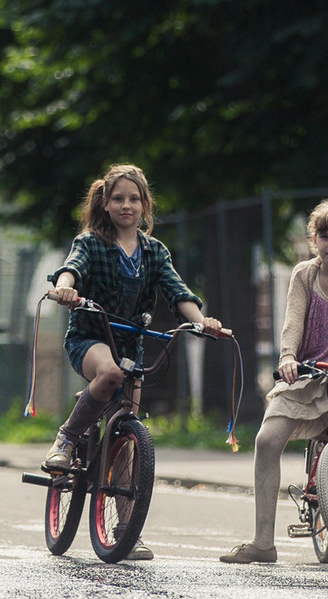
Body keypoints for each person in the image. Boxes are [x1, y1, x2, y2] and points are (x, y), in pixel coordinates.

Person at [44, 163, 224, 561]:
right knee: (108, 372)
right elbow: (70, 270)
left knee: (126, 441)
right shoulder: (90, 243)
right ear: (105, 204)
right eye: (118, 198)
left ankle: (126, 532)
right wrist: (64, 289)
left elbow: (179, 291)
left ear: (145, 206)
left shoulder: (154, 251)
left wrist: (202, 323)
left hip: (131, 346)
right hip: (90, 338)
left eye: (134, 199)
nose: (127, 205)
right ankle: (67, 437)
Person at [221, 195, 328, 564]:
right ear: (313, 239)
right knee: (267, 440)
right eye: (324, 236)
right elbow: (292, 324)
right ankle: (263, 544)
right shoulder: (304, 274)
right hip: (307, 373)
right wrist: (287, 358)